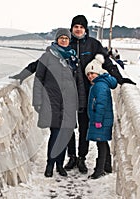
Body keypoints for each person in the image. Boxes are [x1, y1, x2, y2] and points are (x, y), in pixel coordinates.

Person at [10, 15, 136, 174]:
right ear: (71, 29)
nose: (78, 29)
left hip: (86, 94)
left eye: (81, 27)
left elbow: (107, 63)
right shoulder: (65, 46)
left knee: (84, 127)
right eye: (75, 26)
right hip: (66, 96)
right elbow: (40, 64)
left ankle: (82, 158)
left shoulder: (93, 44)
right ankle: (72, 156)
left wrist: (120, 78)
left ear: (85, 29)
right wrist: (22, 75)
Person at [32, 28, 78, 177]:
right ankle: (50, 164)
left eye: (66, 38)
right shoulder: (47, 57)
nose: (64, 40)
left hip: (69, 102)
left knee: (65, 134)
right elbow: (38, 79)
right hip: (52, 101)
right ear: (57, 39)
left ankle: (60, 165)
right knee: (56, 133)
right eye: (61, 38)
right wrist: (37, 100)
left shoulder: (72, 57)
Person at [84, 54, 117, 179]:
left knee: (101, 144)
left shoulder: (100, 86)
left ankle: (99, 170)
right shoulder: (100, 84)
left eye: (93, 73)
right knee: (103, 143)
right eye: (88, 74)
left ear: (99, 72)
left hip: (101, 120)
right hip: (103, 120)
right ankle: (107, 166)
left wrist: (97, 120)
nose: (91, 76)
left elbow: (101, 105)